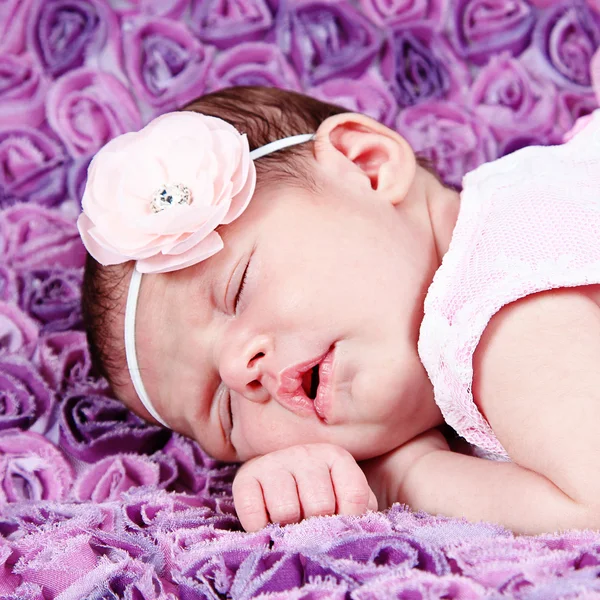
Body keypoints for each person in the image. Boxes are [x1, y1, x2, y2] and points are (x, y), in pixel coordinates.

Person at [79, 85, 600, 536]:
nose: (240, 371)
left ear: (367, 168)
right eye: (224, 412)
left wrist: (403, 475)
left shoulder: (503, 296)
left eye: (238, 290)